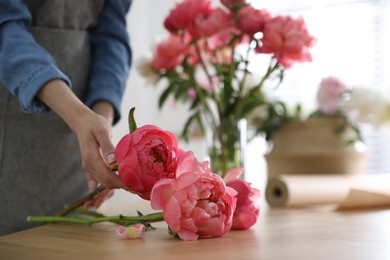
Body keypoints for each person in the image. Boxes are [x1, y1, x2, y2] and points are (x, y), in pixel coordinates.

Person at [0, 0, 132, 236]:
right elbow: (4, 28)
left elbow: (111, 34)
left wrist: (101, 125)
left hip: (74, 150)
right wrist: (79, 116)